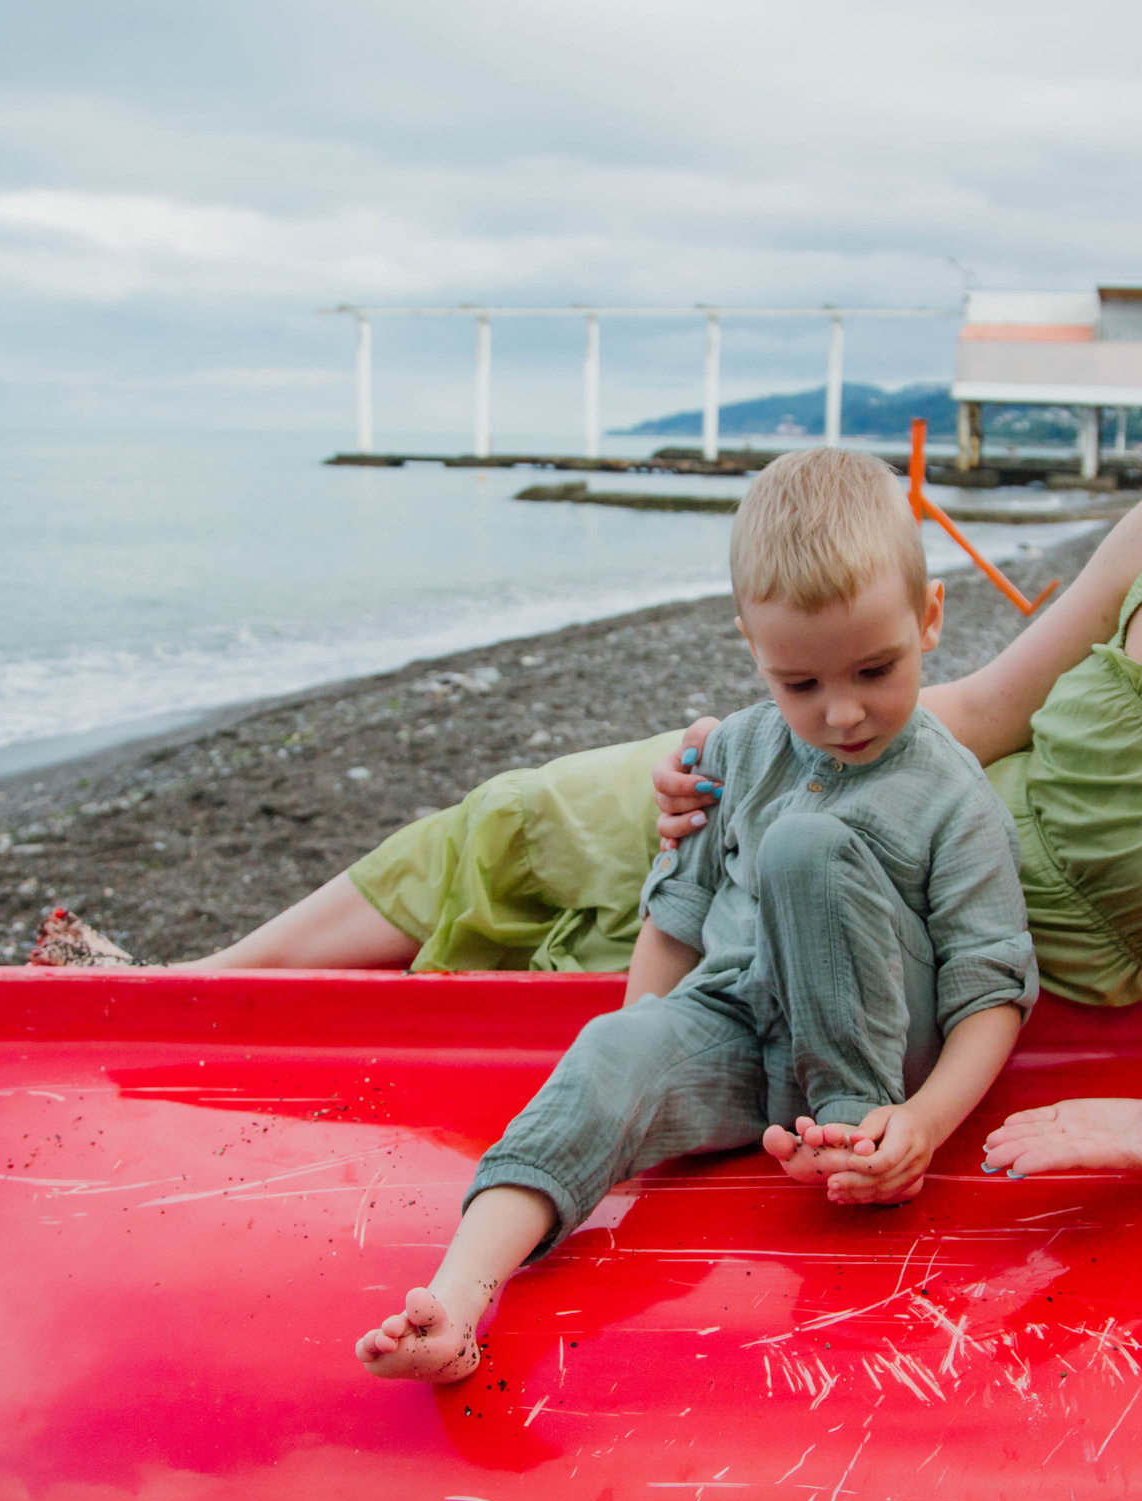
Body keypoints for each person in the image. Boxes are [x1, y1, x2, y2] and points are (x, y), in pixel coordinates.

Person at [47, 271, 1142, 1213]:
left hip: (929, 949)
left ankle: (203, 1058)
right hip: (879, 769)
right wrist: (757, 744)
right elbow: (975, 710)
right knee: (525, 815)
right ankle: (181, 997)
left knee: (575, 984)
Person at [353, 448, 1037, 1382]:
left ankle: (856, 1136)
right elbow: (677, 921)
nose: (842, 712)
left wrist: (922, 1123)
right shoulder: (733, 751)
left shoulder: (949, 791)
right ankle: (457, 1303)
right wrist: (638, 1053)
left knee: (805, 844)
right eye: (800, 684)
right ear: (755, 651)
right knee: (606, 1048)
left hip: (875, 1062)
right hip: (740, 1035)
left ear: (929, 620)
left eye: (875, 670)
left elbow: (991, 986)